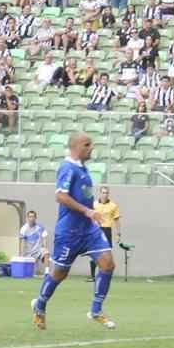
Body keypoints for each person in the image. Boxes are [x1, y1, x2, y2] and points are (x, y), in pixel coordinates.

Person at [31, 132, 118, 330]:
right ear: (76, 146)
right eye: (87, 144)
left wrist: (90, 214)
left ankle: (96, 310)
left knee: (108, 264)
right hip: (69, 232)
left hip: (88, 230)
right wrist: (88, 210)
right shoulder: (67, 168)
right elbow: (60, 196)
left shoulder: (83, 169)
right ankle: (40, 305)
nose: (91, 147)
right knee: (59, 273)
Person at [90, 185, 121, 282]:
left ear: (109, 194)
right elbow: (90, 217)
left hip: (107, 230)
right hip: (96, 230)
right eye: (103, 193)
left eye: (106, 193)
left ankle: (103, 275)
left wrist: (118, 234)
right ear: (100, 193)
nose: (105, 195)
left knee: (106, 254)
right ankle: (92, 276)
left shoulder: (113, 206)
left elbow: (116, 220)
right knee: (94, 253)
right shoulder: (94, 204)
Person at [18, 210, 50, 276]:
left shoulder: (40, 227)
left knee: (46, 253)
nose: (31, 218)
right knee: (31, 274)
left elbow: (45, 237)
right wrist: (21, 256)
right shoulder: (23, 229)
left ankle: (47, 273)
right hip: (28, 253)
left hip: (38, 250)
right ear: (27, 218)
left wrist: (45, 248)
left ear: (35, 218)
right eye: (30, 217)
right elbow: (21, 243)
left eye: (33, 217)